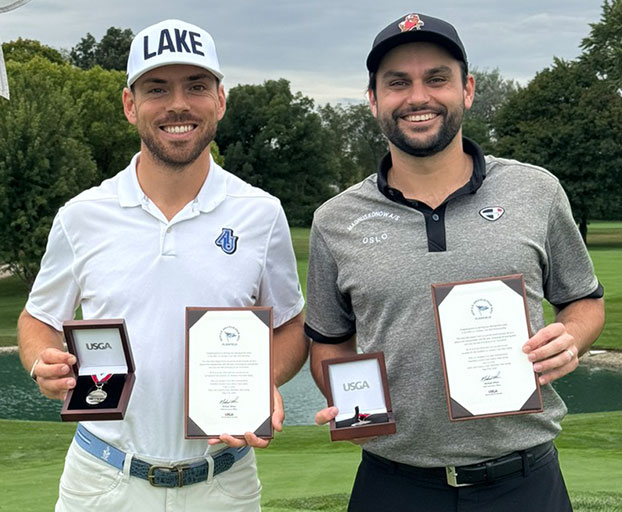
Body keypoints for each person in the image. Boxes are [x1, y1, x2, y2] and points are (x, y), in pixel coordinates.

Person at [306, 12, 605, 512]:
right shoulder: (335, 220)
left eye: (436, 78)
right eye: (397, 82)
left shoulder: (536, 190)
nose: (418, 97)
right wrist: (347, 395)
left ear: (467, 89)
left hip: (524, 480)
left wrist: (571, 337)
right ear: (374, 99)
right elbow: (329, 341)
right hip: (393, 484)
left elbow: (585, 303)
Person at [18, 19, 307, 512]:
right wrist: (42, 360)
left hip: (224, 483)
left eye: (195, 86)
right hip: (102, 479)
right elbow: (37, 318)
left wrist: (264, 379)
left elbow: (290, 326)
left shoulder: (261, 212)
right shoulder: (83, 215)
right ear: (131, 105)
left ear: (220, 99)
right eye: (157, 88)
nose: (178, 104)